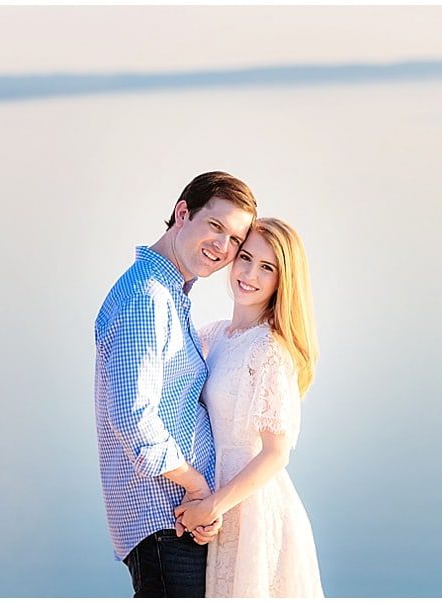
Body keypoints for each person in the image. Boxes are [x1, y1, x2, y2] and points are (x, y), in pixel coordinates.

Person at [94, 171, 256, 597]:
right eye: (215, 226)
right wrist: (196, 485)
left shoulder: (170, 295)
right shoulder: (148, 297)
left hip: (179, 521)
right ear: (182, 214)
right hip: (164, 521)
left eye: (236, 240)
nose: (223, 248)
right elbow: (132, 416)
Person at [174, 218, 324, 597]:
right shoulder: (213, 335)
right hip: (215, 499)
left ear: (281, 281)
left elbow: (276, 454)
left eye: (267, 267)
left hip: (254, 509)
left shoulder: (269, 351)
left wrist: (211, 506)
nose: (249, 273)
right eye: (245, 257)